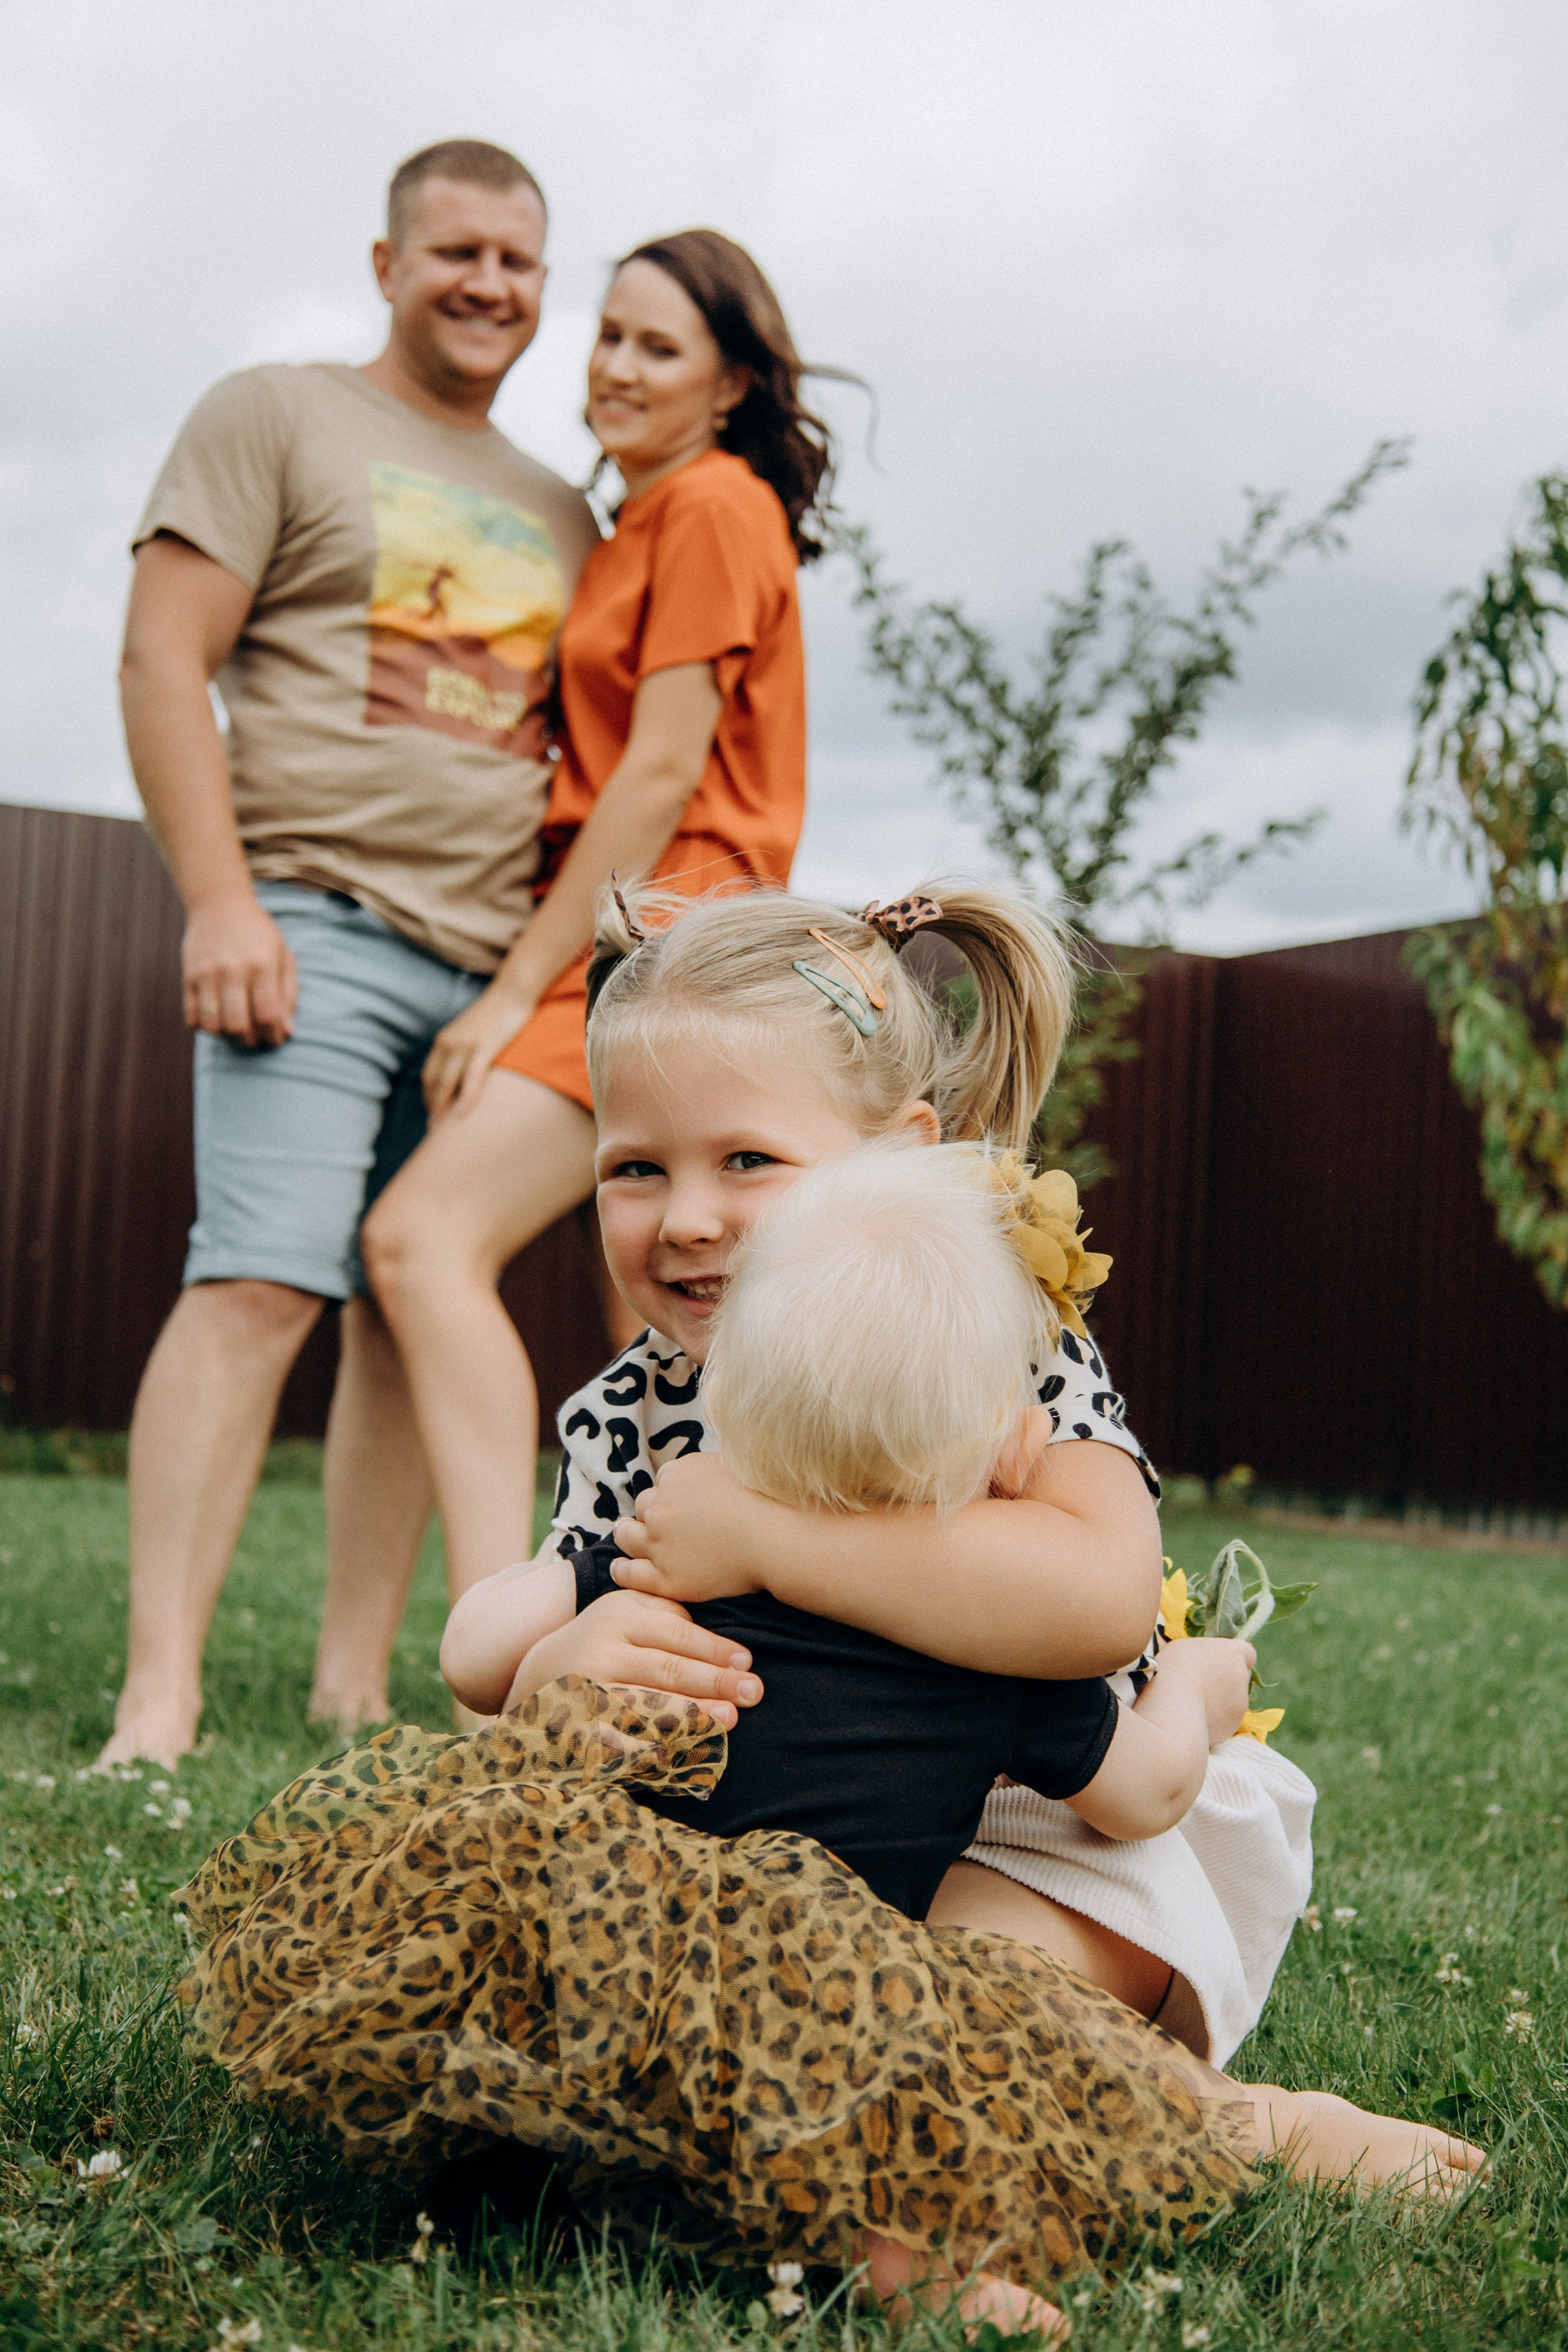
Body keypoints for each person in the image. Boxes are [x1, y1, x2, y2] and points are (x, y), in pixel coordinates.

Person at [176, 878, 1481, 2340]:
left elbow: (1094, 1604)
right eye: (631, 1168)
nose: (686, 1218)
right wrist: (561, 1666)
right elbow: (510, 1652)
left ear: (900, 1157)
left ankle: (1231, 2124)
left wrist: (767, 1539)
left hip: (1032, 1826)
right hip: (746, 1871)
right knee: (624, 2020)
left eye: (746, 1158)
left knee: (950, 2009)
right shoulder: (633, 1408)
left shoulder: (1006, 1353)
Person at [104, 139, 601, 1770]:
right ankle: (158, 1701)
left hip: (488, 972)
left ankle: (352, 1683)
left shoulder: (561, 509)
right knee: (257, 1283)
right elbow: (162, 658)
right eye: (457, 252)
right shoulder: (275, 414)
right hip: (310, 923)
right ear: (387, 264)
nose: (487, 285)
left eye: (517, 262)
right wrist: (222, 902)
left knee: (407, 1304)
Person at [360, 229, 830, 1600]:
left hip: (662, 938)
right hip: (634, 935)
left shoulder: (714, 508)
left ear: (730, 383)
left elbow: (661, 775)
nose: (616, 367)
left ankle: (501, 1646)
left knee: (418, 1240)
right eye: (609, 334)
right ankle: (659, 1628)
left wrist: (518, 987)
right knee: (663, 1323)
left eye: (658, 347)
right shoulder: (637, 522)